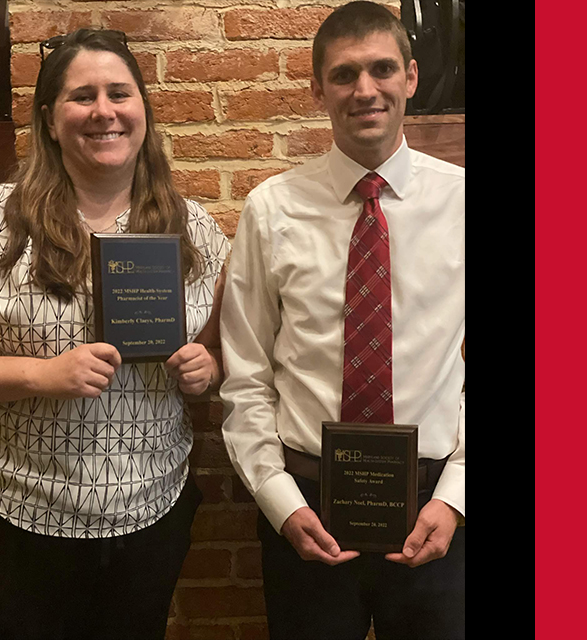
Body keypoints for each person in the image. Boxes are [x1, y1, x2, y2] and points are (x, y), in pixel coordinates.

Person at [219, 3, 464, 639]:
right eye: (344, 74)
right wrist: (279, 502)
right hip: (308, 501)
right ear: (317, 88)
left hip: (433, 506)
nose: (365, 90)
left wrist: (455, 497)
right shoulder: (270, 210)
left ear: (410, 77)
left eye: (382, 69)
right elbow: (245, 377)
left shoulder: (464, 204)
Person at [0, 28, 230, 640]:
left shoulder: (192, 226)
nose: (104, 111)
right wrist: (42, 374)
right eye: (82, 96)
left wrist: (210, 369)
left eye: (119, 93)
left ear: (142, 109)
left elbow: (226, 349)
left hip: (151, 515)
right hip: (20, 516)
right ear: (48, 118)